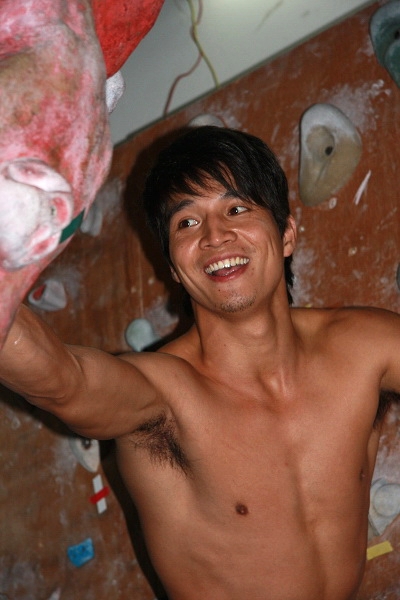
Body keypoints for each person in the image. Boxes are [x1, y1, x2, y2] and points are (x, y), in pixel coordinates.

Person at [1, 125, 400, 600]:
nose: (214, 236)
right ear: (174, 267)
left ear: (286, 234)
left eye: (236, 209)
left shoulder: (365, 347)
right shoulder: (162, 396)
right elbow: (64, 383)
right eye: (187, 223)